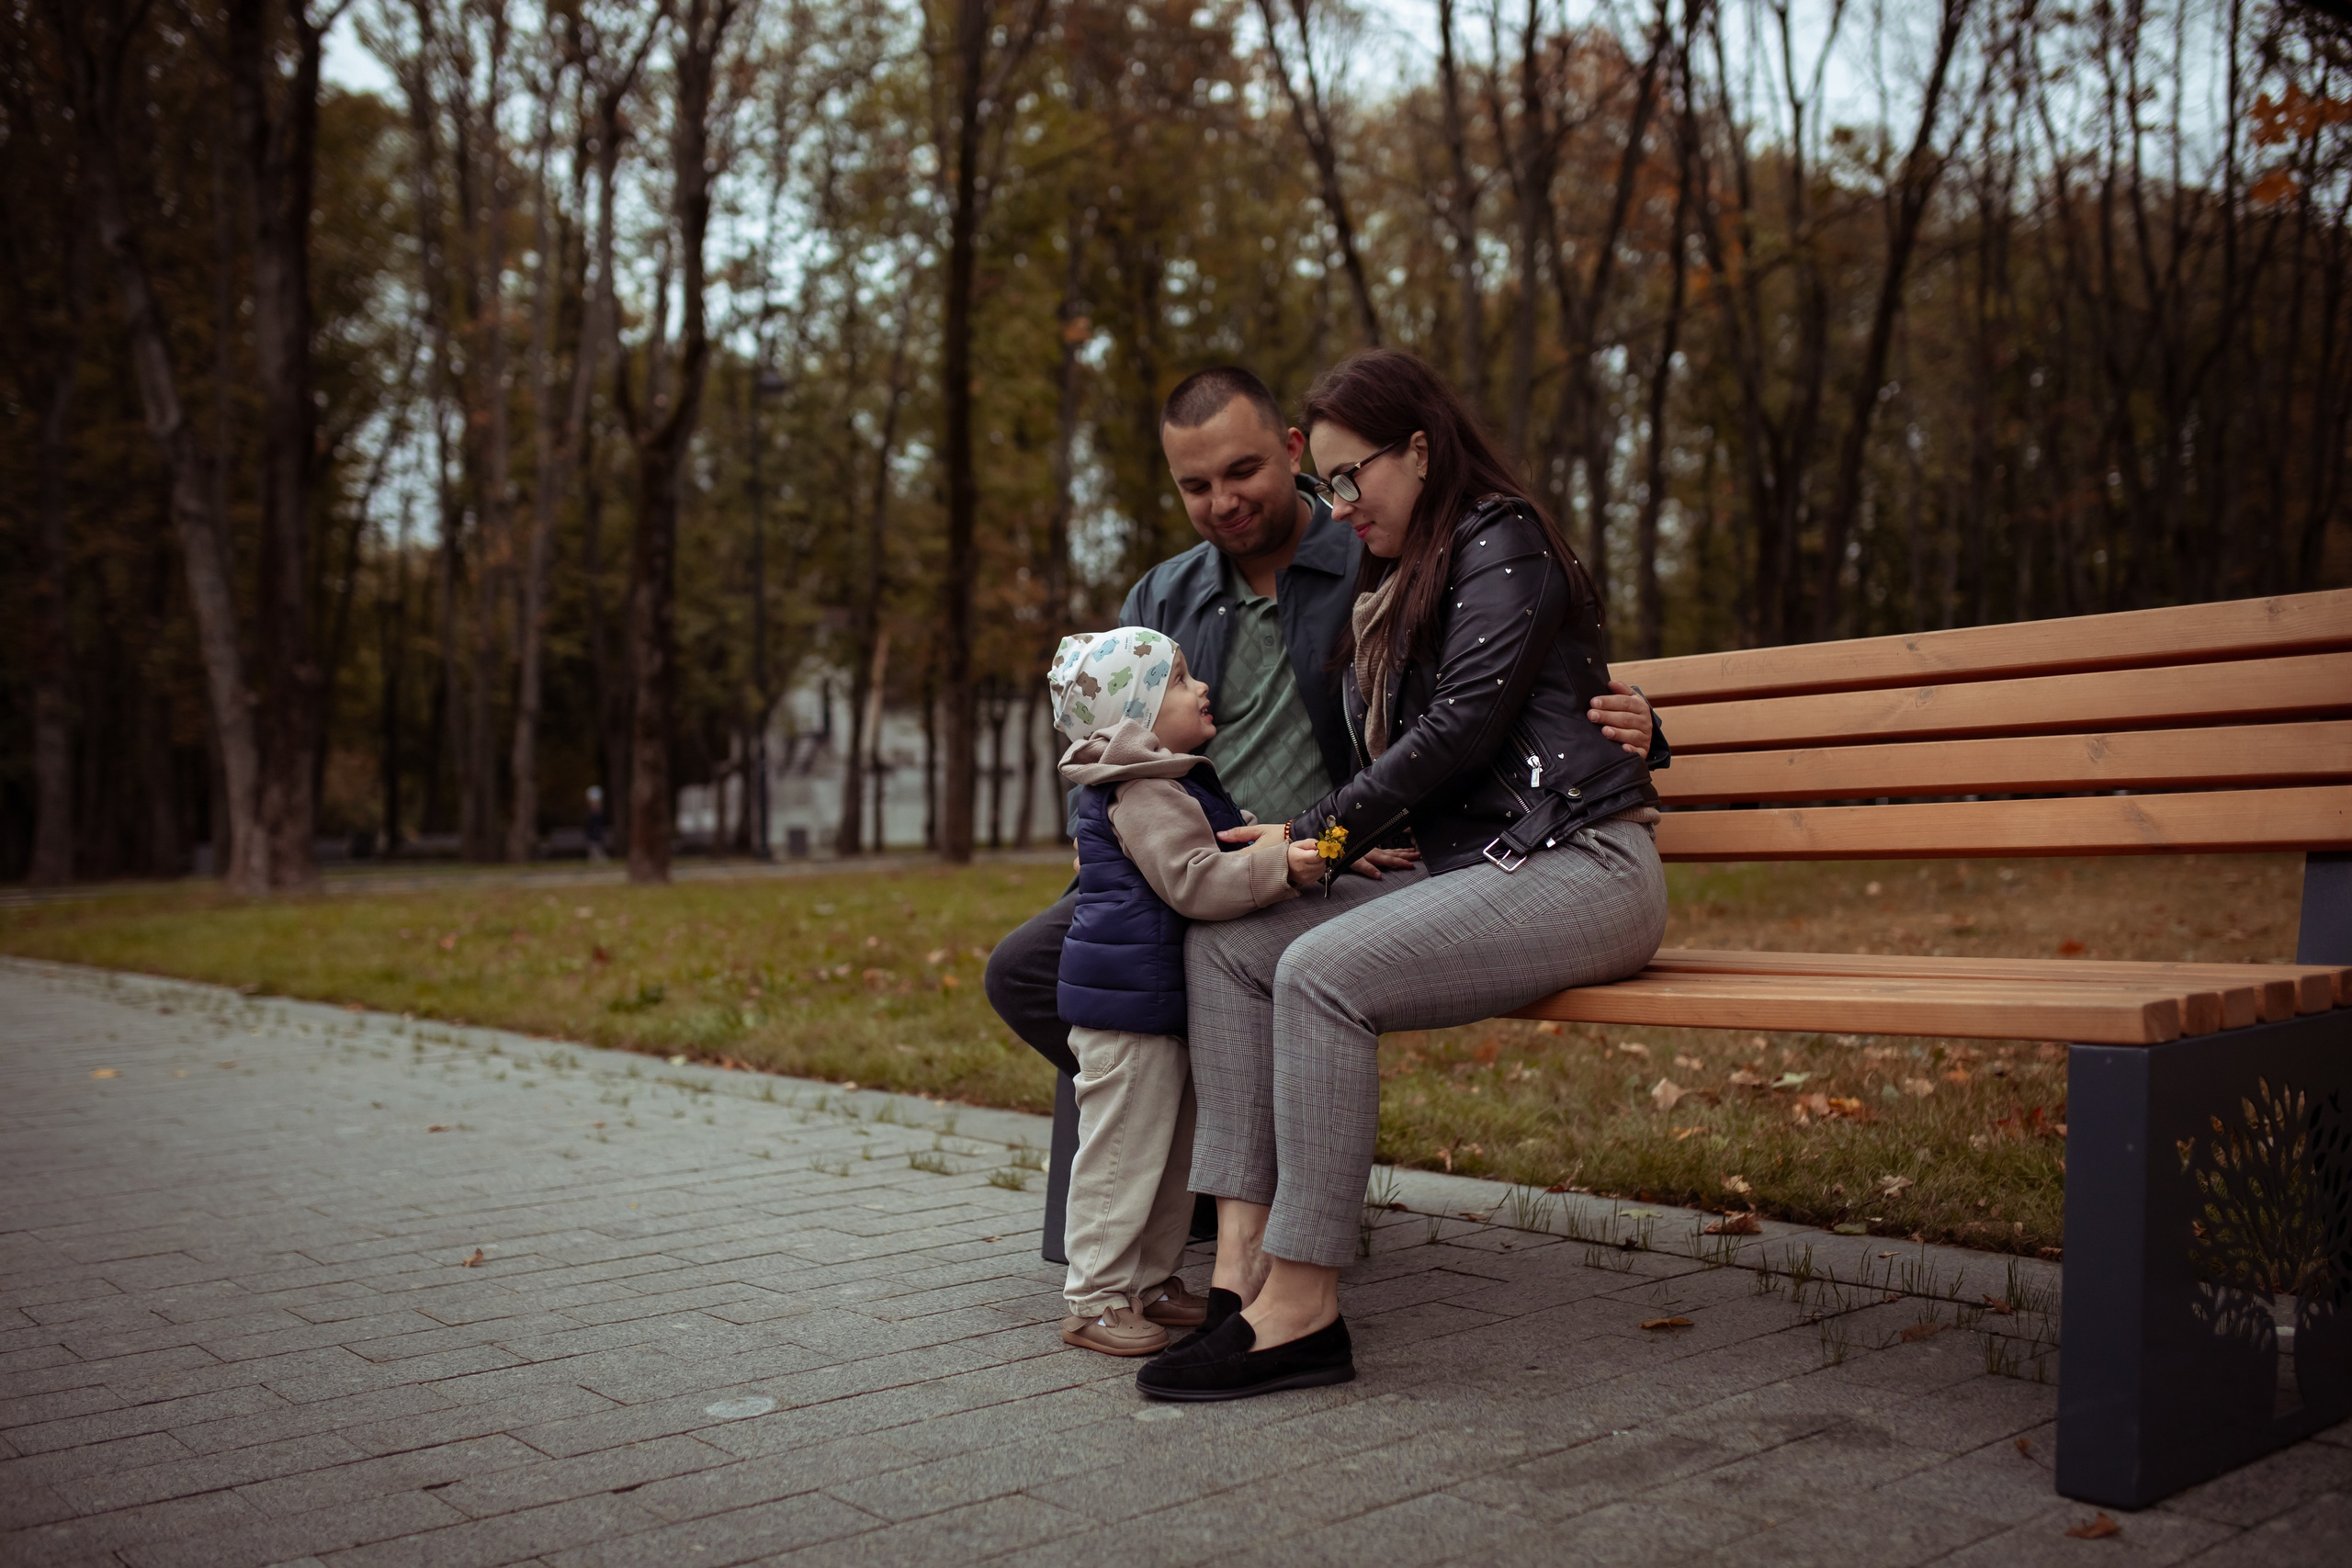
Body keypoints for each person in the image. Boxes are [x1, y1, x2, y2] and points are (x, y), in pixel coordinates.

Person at [1133, 348, 1671, 1402]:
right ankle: (1241, 1278)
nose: (1336, 507)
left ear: (1419, 450)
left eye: (1348, 477)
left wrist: (1316, 839)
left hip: (1584, 863)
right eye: (1323, 485)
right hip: (1473, 865)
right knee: (1232, 945)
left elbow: (1465, 725)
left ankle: (1304, 1308)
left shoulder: (1500, 537)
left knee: (1322, 970)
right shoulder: (1397, 571)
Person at [983, 367, 1662, 1086]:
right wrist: (1093, 835)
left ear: (1291, 449)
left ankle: (1197, 1153)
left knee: (1171, 964)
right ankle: (1171, 1141)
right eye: (1195, 486)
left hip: (1322, 849)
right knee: (1038, 970)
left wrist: (1647, 718)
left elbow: (1496, 677)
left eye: (1242, 470)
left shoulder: (1374, 546)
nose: (1223, 501)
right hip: (1184, 853)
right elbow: (1101, 738)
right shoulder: (1160, 594)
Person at [1043, 626, 1317, 1356]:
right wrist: (1284, 868)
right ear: (1131, 715)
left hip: (1159, 1006)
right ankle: (1094, 1296)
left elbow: (1228, 844)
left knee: (1170, 1159)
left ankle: (1154, 1281)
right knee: (1125, 1156)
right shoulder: (1143, 789)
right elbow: (1195, 880)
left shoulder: (1171, 780)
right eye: (1178, 679)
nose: (1200, 689)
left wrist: (1288, 844)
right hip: (1128, 1014)